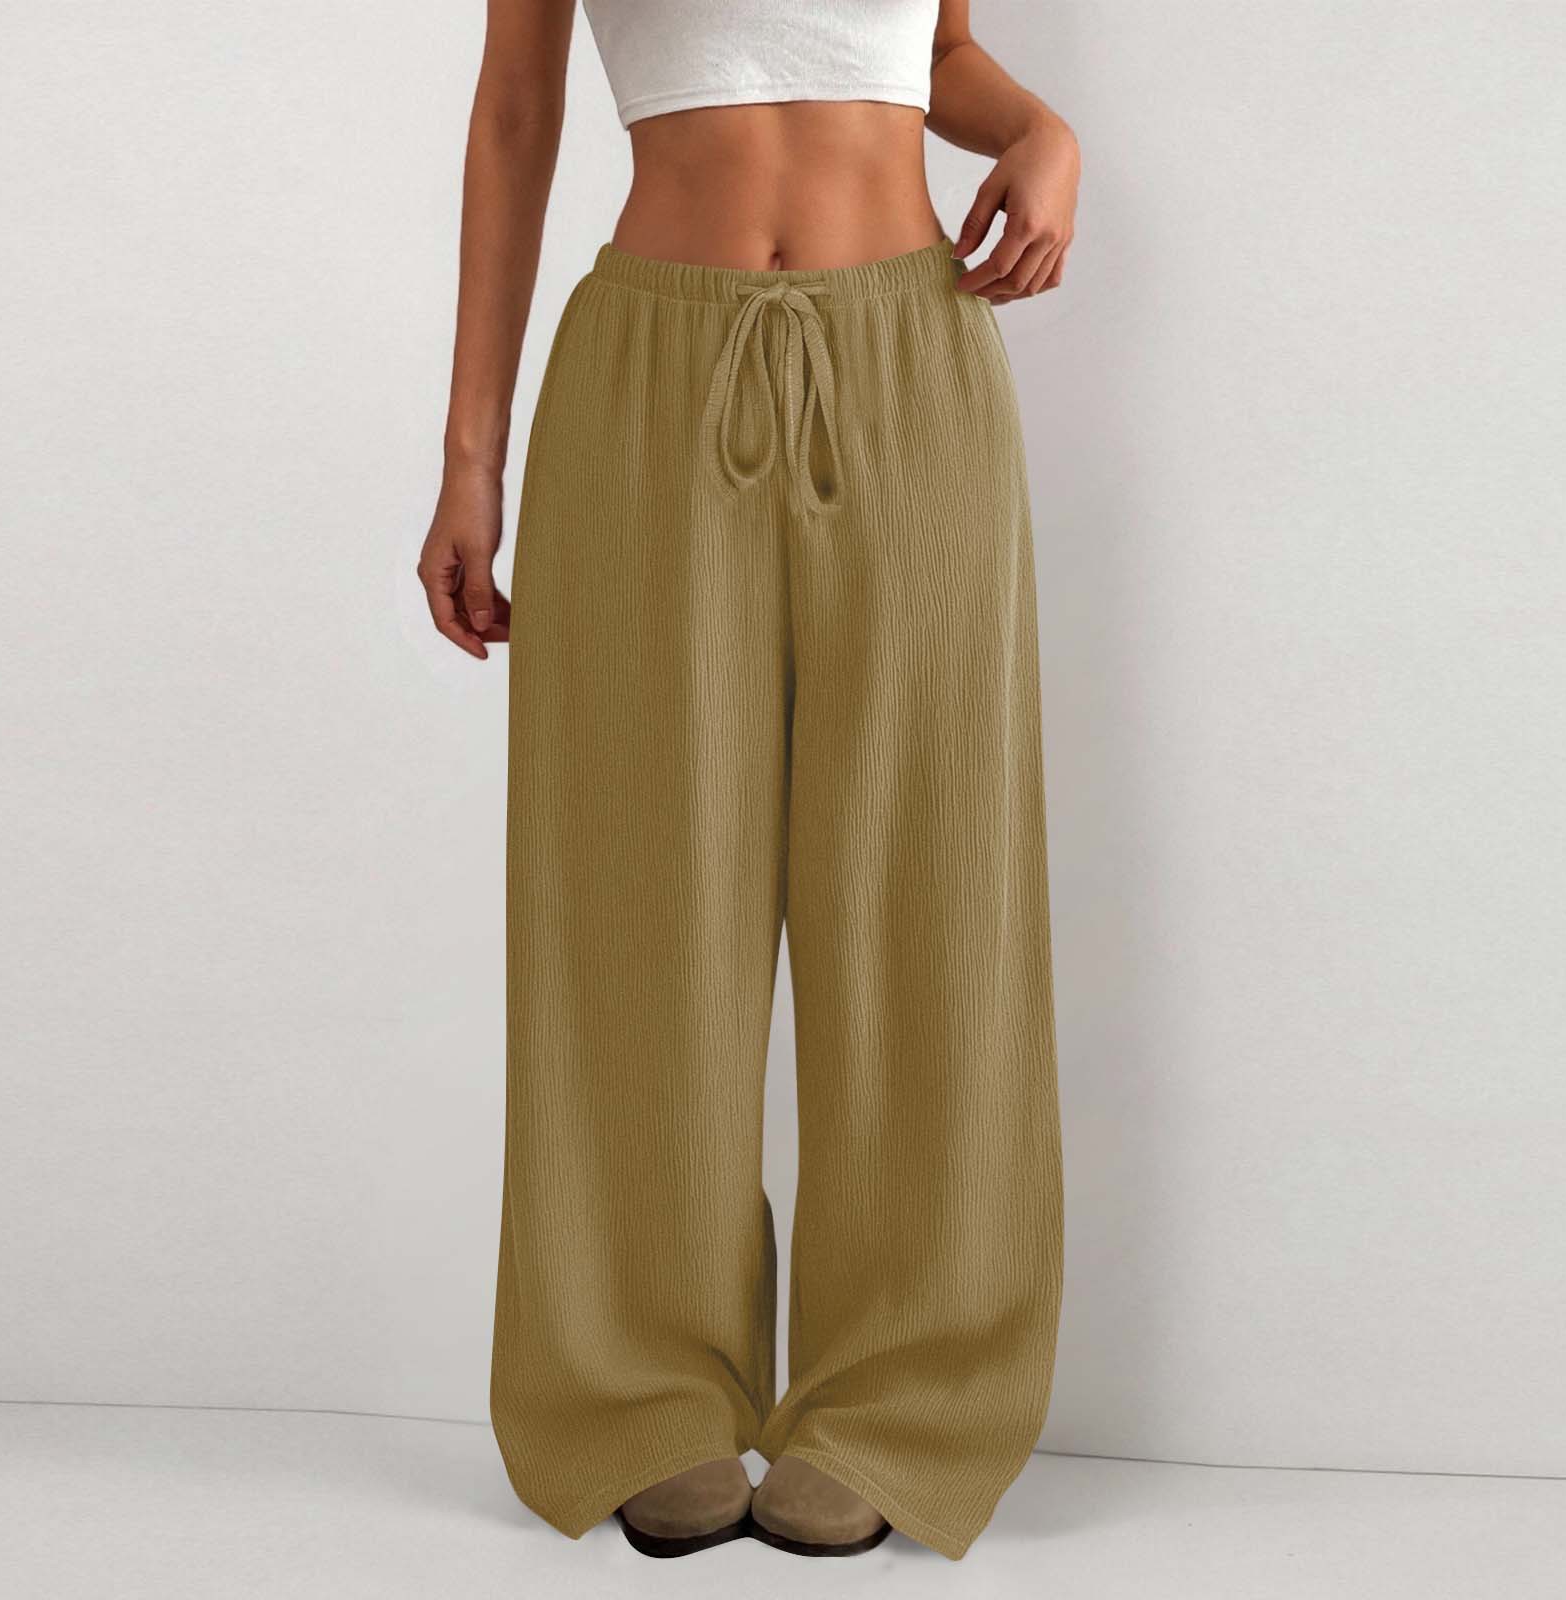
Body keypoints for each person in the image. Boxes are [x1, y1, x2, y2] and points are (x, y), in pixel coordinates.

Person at [417, 0, 1079, 1563]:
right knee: (639, 893)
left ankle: (902, 1399)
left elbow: (933, 53)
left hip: (912, 361)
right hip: (652, 369)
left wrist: (1040, 131)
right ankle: (642, 1388)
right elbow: (514, 112)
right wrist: (470, 462)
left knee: (929, 893)